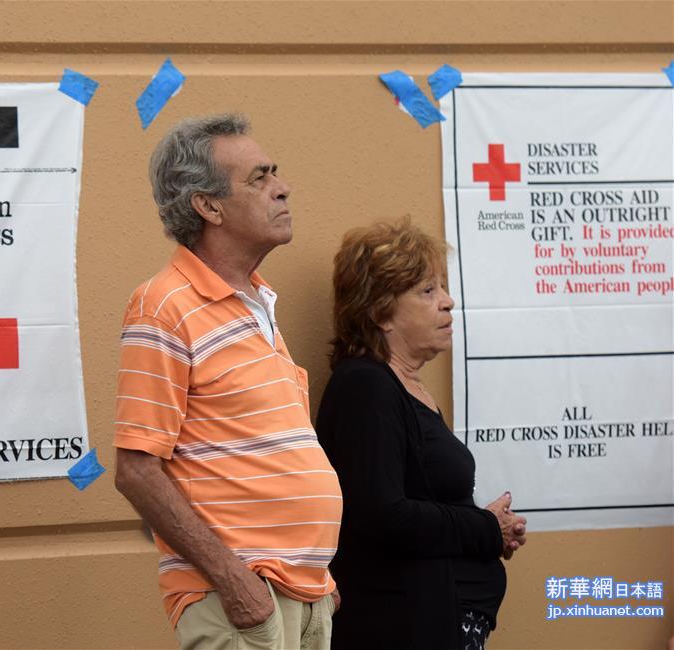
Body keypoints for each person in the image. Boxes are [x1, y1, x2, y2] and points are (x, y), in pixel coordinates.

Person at [114, 114, 341, 650]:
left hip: (303, 594)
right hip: (243, 599)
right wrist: (234, 581)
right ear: (209, 206)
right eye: (259, 178)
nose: (282, 188)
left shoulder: (257, 303)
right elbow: (136, 470)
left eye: (275, 173)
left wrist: (319, 580)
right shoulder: (164, 304)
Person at [315, 219, 527, 650]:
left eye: (442, 289)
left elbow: (423, 505)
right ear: (379, 313)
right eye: (427, 291)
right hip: (399, 626)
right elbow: (382, 515)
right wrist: (485, 528)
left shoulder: (408, 387)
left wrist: (487, 529)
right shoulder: (365, 387)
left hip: (440, 619)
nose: (447, 302)